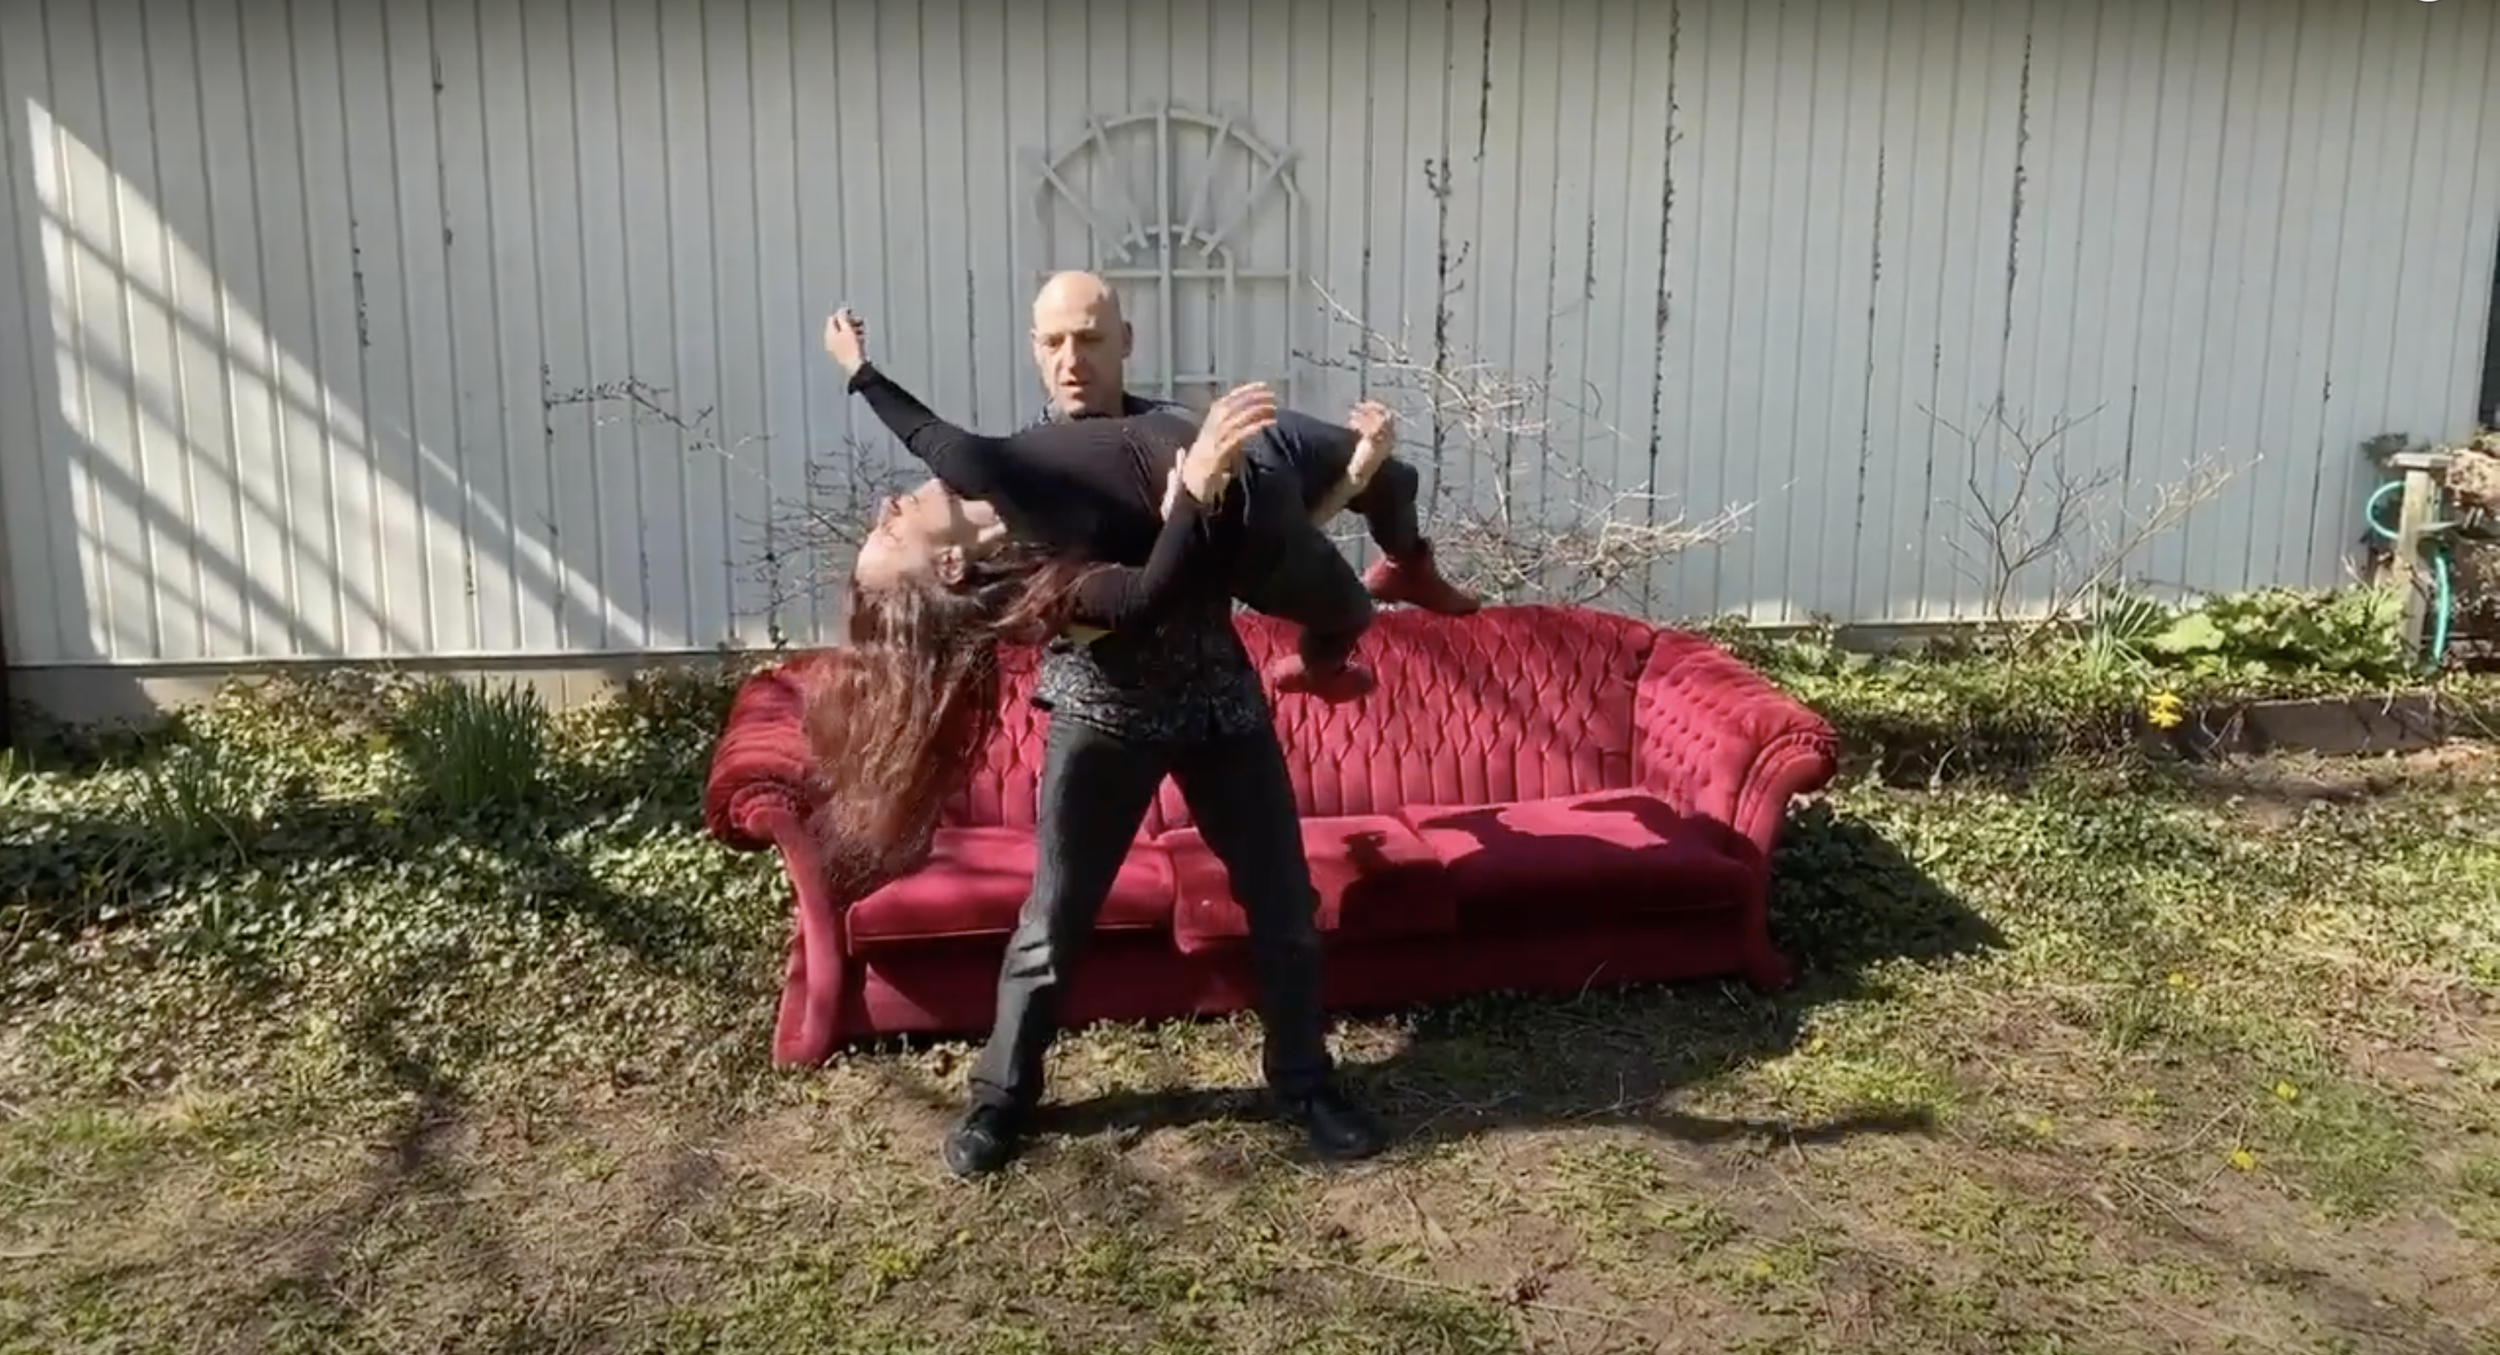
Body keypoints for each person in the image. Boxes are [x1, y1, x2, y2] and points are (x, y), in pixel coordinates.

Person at [809, 300, 1397, 1178]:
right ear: (1036, 354)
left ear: (1126, 341)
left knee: (1283, 906)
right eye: (1053, 340)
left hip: (1219, 704)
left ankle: (1306, 1083)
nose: (1072, 357)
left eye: (1090, 336)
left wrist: (1351, 478)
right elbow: (1135, 595)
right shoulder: (1030, 487)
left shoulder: (1173, 429)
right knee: (1053, 923)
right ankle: (1001, 1097)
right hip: (1105, 718)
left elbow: (1273, 539)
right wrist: (1188, 500)